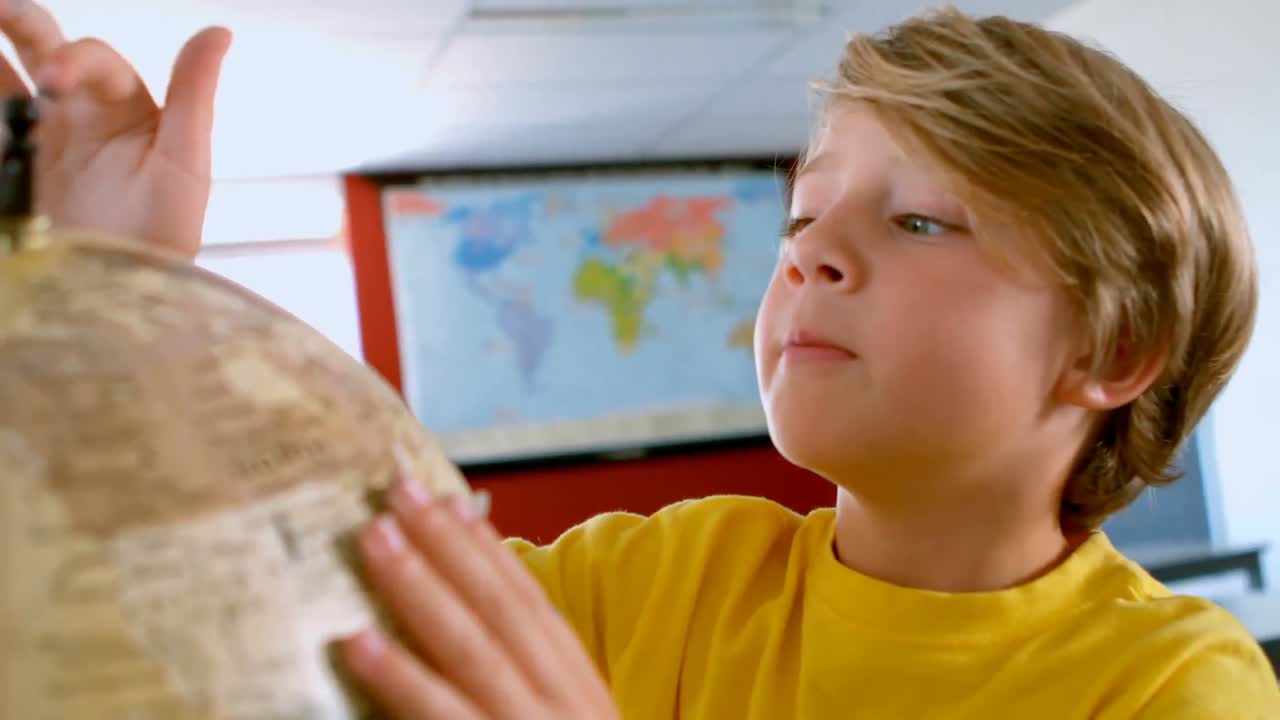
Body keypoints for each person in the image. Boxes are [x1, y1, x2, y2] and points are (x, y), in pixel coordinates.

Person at [4, 0, 1276, 716]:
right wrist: (123, 292)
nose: (810, 254)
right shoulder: (656, 575)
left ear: (1112, 348)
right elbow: (261, 610)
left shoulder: (1172, 686)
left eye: (921, 221)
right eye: (802, 215)